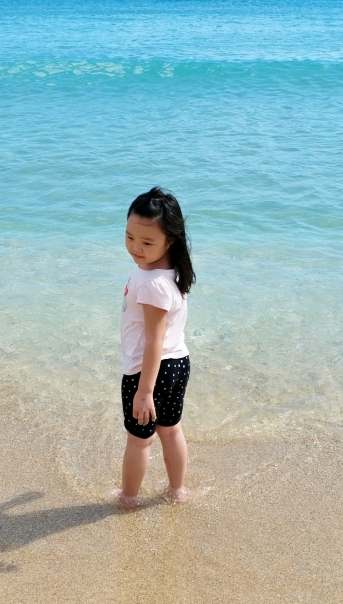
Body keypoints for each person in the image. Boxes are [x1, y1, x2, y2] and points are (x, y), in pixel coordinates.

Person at [113, 187, 196, 510]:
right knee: (171, 431)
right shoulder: (170, 273)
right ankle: (177, 491)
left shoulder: (152, 284)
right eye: (130, 237)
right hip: (178, 362)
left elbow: (153, 340)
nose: (136, 247)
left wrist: (144, 392)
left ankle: (128, 497)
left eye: (147, 243)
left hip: (148, 370)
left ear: (170, 241)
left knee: (139, 440)